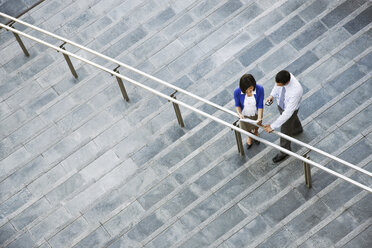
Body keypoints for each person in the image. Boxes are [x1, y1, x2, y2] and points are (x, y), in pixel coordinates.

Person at [264, 70, 303, 163]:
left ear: (286, 82)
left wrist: (272, 126)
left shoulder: (296, 91)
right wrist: (272, 95)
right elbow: (276, 86)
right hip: (282, 104)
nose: (277, 85)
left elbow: (288, 113)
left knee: (285, 130)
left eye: (279, 84)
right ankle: (297, 128)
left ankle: (284, 151)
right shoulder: (285, 76)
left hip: (289, 110)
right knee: (291, 120)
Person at [234, 74, 264, 149]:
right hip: (244, 114)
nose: (248, 91)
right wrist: (239, 113)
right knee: (245, 127)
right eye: (245, 90)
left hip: (256, 112)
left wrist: (259, 118)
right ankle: (250, 136)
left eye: (250, 88)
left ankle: (256, 132)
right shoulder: (237, 91)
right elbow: (237, 105)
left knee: (257, 124)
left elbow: (260, 104)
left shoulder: (260, 89)